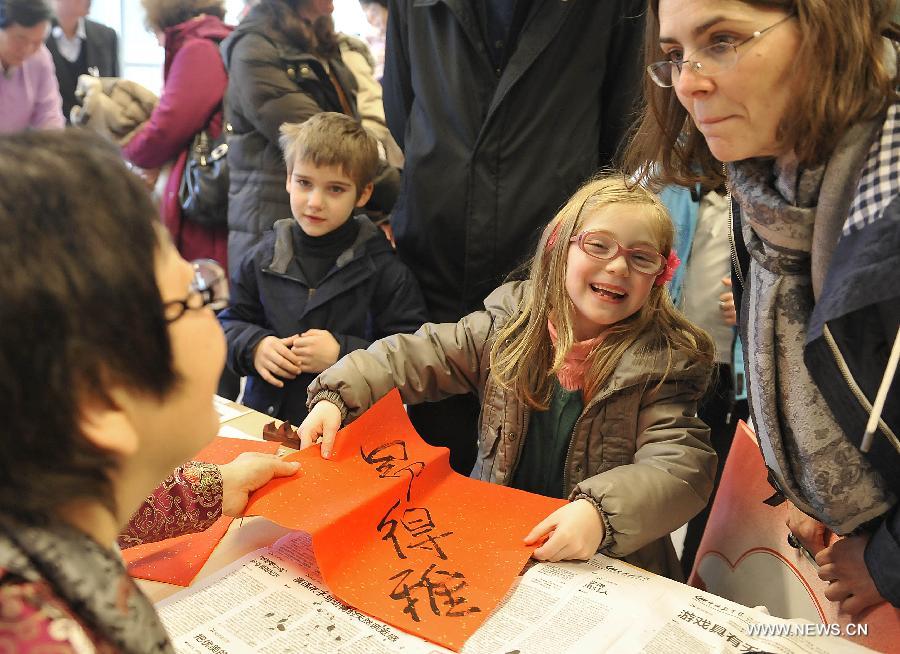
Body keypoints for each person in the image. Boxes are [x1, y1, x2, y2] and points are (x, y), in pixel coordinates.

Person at [625, 0, 900, 613]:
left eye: (722, 39)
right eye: (673, 56)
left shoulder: (884, 202)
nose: (689, 82)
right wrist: (827, 494)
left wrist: (887, 560)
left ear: (832, 24)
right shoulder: (766, 175)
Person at [299, 176, 716, 579]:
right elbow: (417, 355)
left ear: (659, 277)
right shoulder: (507, 325)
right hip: (497, 540)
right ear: (559, 249)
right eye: (598, 245)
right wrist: (338, 394)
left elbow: (680, 466)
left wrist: (600, 515)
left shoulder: (664, 363)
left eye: (641, 258)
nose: (619, 265)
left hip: (605, 562)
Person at [0, 129, 298, 651]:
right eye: (192, 293)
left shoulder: (41, 484)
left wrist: (217, 487)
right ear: (102, 399)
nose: (210, 302)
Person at [382, 0, 646, 475]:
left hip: (547, 254)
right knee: (426, 454)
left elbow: (623, 122)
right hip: (434, 245)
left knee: (525, 462)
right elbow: (401, 103)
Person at [218, 112, 427, 425]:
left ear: (364, 192)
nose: (315, 202)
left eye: (335, 189)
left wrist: (343, 353)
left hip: (348, 436)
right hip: (267, 423)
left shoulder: (386, 270)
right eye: (304, 183)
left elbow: (411, 353)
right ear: (288, 179)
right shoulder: (260, 257)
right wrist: (255, 346)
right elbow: (231, 322)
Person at [220, 0, 359, 279]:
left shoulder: (318, 39)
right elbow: (327, 142)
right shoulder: (255, 46)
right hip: (271, 224)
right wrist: (396, 189)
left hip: (313, 219)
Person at [660, 182, 749, 577]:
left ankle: (692, 573)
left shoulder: (765, 196)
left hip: (736, 372)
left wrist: (753, 302)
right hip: (672, 357)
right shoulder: (674, 187)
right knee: (662, 468)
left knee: (716, 478)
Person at [122, 0, 232, 269]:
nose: (159, 43)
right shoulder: (219, 39)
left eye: (155, 33)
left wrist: (126, 150)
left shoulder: (198, 49)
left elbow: (167, 128)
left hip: (203, 193)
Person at [45, 0, 118, 123]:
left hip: (97, 135)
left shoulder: (106, 35)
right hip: (51, 137)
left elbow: (115, 90)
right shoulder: (35, 39)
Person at [0, 0, 63, 133]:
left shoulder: (40, 58)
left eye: (37, 42)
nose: (27, 50)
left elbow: (49, 116)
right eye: (20, 39)